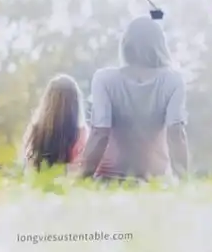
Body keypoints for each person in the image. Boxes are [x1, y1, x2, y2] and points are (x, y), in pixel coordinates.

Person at [75, 16, 190, 181]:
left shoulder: (105, 79)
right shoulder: (173, 81)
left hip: (110, 178)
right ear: (160, 45)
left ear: (125, 44)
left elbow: (100, 133)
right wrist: (184, 180)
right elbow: (176, 134)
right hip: (154, 180)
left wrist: (82, 177)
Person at [21, 74, 86, 170]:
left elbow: (27, 165)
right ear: (75, 103)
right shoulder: (81, 134)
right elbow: (81, 169)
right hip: (67, 179)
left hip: (37, 179)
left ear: (47, 100)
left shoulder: (35, 131)